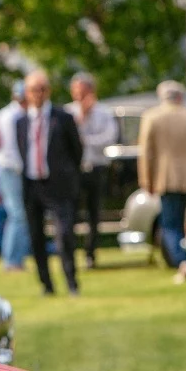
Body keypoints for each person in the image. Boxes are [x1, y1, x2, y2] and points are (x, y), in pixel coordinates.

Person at [138, 80, 186, 282]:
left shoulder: (152, 117)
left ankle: (183, 262)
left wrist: (146, 180)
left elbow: (145, 152)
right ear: (180, 97)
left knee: (170, 224)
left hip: (165, 178)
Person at [16, 69, 83, 295]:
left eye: (42, 89)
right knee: (35, 236)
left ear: (48, 91)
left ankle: (71, 281)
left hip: (58, 185)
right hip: (32, 184)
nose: (38, 94)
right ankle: (47, 284)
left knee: (64, 235)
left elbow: (77, 151)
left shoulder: (62, 118)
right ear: (27, 93)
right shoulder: (21, 122)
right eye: (33, 90)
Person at [69, 71, 119, 268]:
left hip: (97, 167)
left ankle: (91, 253)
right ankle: (70, 251)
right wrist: (82, 117)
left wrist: (86, 141)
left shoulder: (103, 112)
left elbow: (109, 138)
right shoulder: (69, 112)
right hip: (75, 169)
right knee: (71, 213)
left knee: (94, 213)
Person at [0, 80, 29, 272]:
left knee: (21, 215)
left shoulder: (22, 114)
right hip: (10, 169)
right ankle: (12, 260)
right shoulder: (8, 116)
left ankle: (17, 258)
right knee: (17, 214)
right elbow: (11, 149)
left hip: (19, 170)